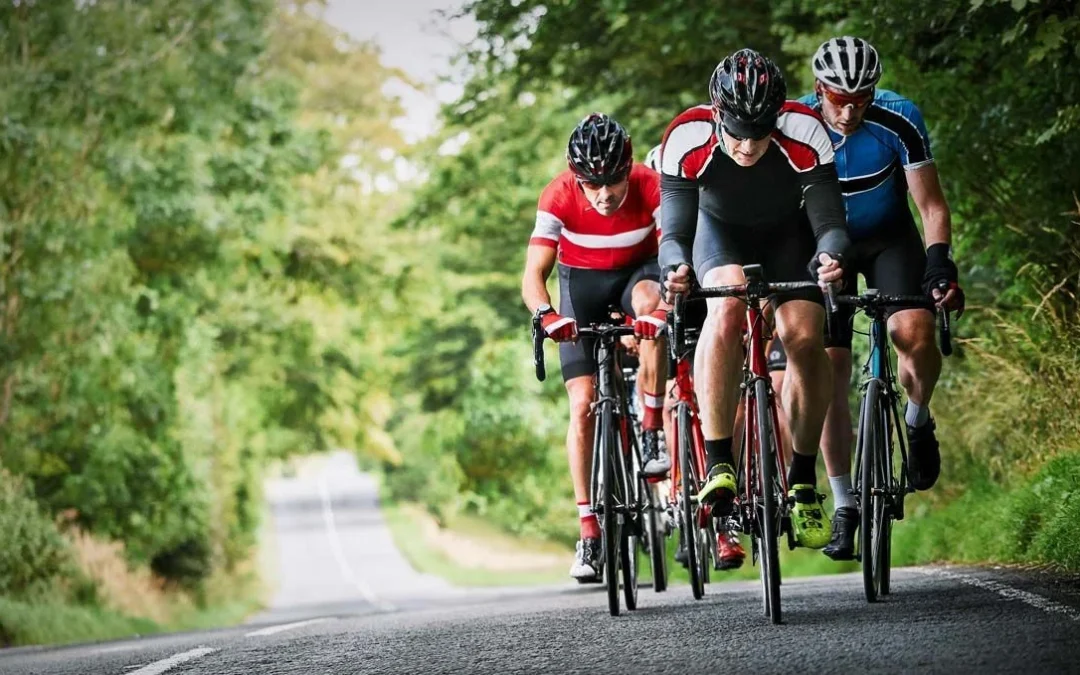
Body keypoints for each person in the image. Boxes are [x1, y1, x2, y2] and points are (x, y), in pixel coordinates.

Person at [658, 49, 850, 550]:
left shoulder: (805, 130)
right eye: (737, 131)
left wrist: (830, 256)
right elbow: (675, 233)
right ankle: (720, 461)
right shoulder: (686, 135)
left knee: (806, 339)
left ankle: (803, 480)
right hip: (717, 234)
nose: (746, 146)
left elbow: (829, 223)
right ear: (717, 115)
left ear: (777, 118)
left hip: (788, 238)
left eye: (759, 132)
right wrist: (674, 270)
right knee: (725, 308)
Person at [799, 37, 966, 560]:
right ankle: (845, 502)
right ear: (818, 89)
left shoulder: (899, 117)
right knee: (828, 368)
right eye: (837, 98)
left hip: (889, 237)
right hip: (825, 248)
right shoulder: (797, 125)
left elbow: (931, 205)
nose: (848, 111)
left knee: (910, 334)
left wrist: (939, 262)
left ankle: (917, 421)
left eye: (861, 98)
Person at [521, 114, 671, 581]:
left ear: (629, 168)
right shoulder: (558, 194)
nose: (604, 194)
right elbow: (533, 275)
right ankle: (588, 531)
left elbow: (674, 253)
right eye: (592, 183)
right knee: (583, 404)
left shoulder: (652, 185)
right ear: (575, 177)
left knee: (651, 306)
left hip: (637, 276)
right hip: (580, 287)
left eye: (613, 181)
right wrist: (548, 316)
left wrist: (663, 311)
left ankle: (650, 428)